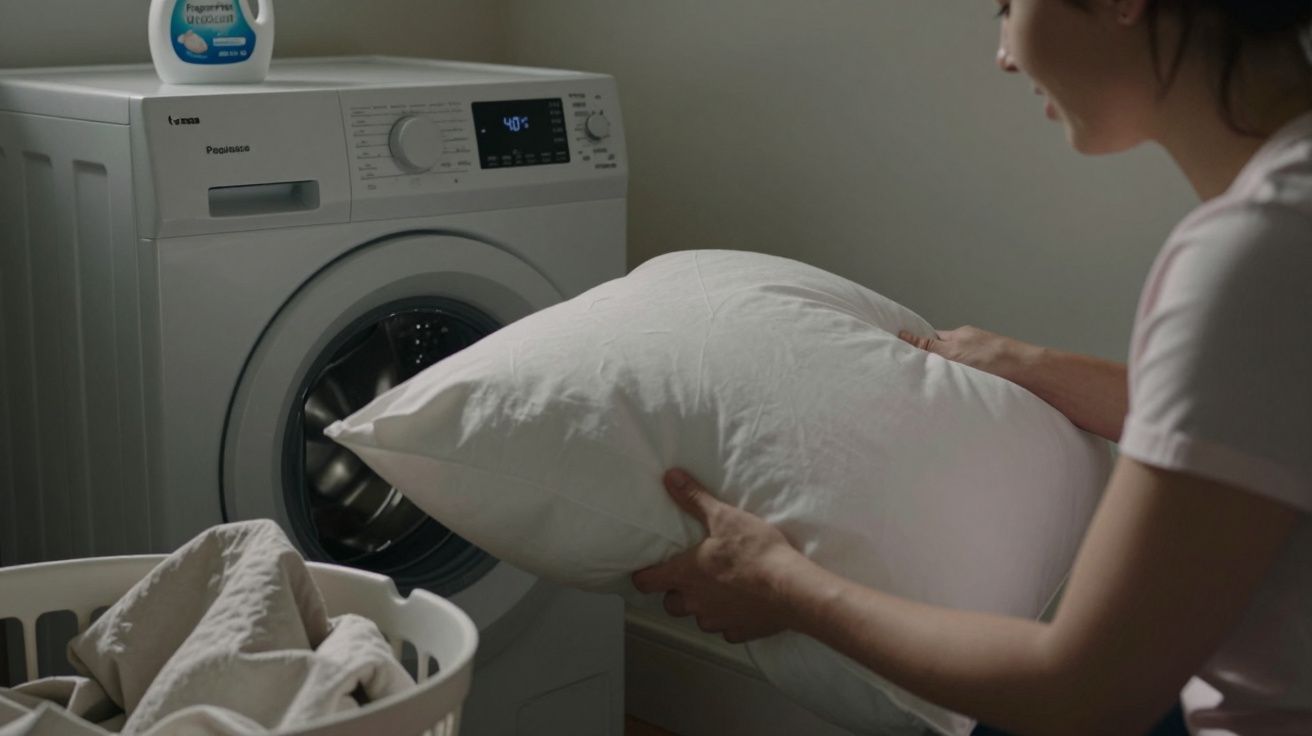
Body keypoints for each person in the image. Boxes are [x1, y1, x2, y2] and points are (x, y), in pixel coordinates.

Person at [631, 2, 1312, 734]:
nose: (1005, 55)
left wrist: (783, 585)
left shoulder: (1258, 250)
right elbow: (1271, 410)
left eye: (1008, 5)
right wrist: (1033, 364)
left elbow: (1084, 691)